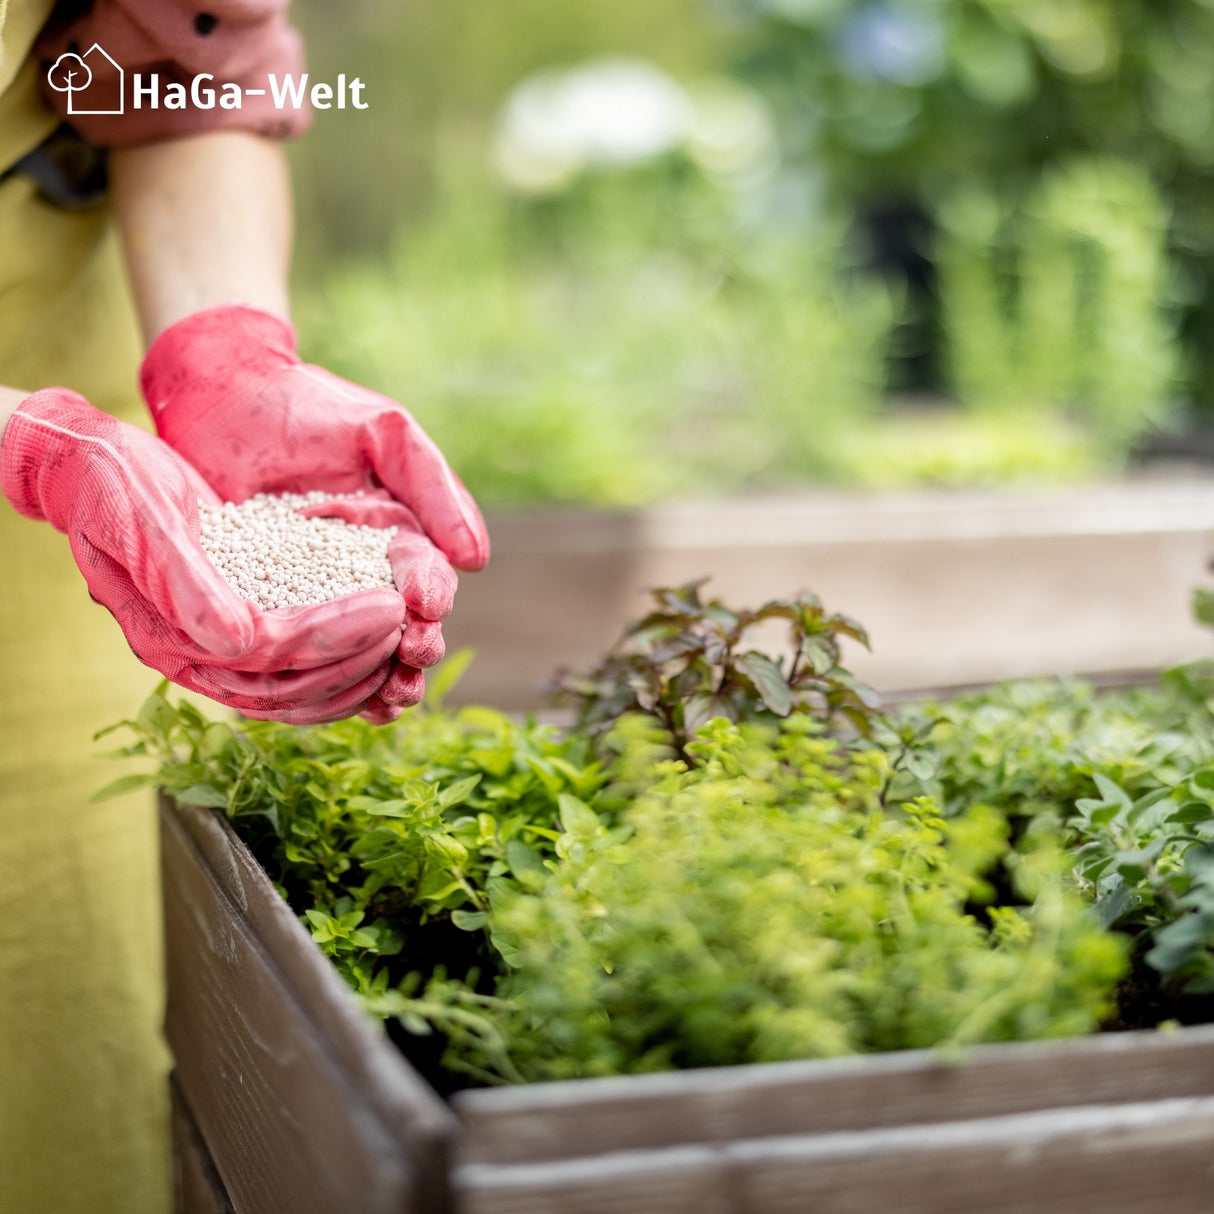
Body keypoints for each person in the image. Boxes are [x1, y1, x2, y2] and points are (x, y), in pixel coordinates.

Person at [0, 3, 489, 1212]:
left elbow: (187, 76)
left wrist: (221, 352)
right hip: (49, 454)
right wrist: (27, 447)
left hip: (76, 488)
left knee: (61, 1017)